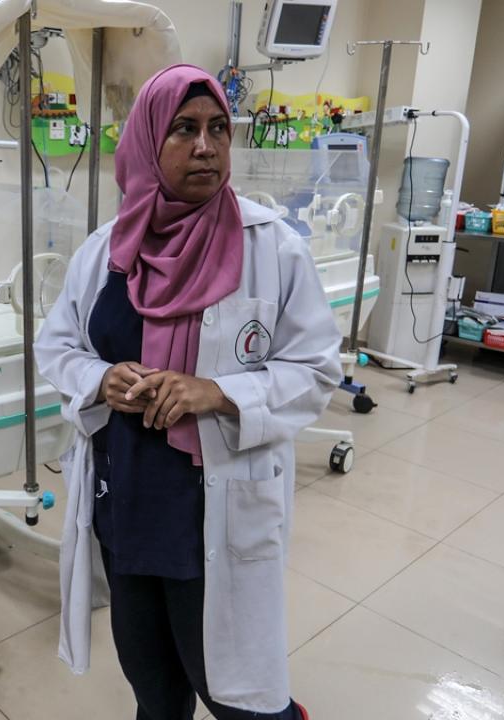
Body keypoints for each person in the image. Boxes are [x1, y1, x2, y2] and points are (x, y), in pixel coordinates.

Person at [35, 64, 342, 720]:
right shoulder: (106, 251)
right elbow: (57, 347)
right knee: (153, 686)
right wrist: (100, 378)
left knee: (236, 693)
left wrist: (219, 393)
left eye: (218, 129)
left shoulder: (272, 247)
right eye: (183, 129)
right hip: (125, 499)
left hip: (212, 507)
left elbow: (316, 370)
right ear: (148, 142)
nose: (206, 147)